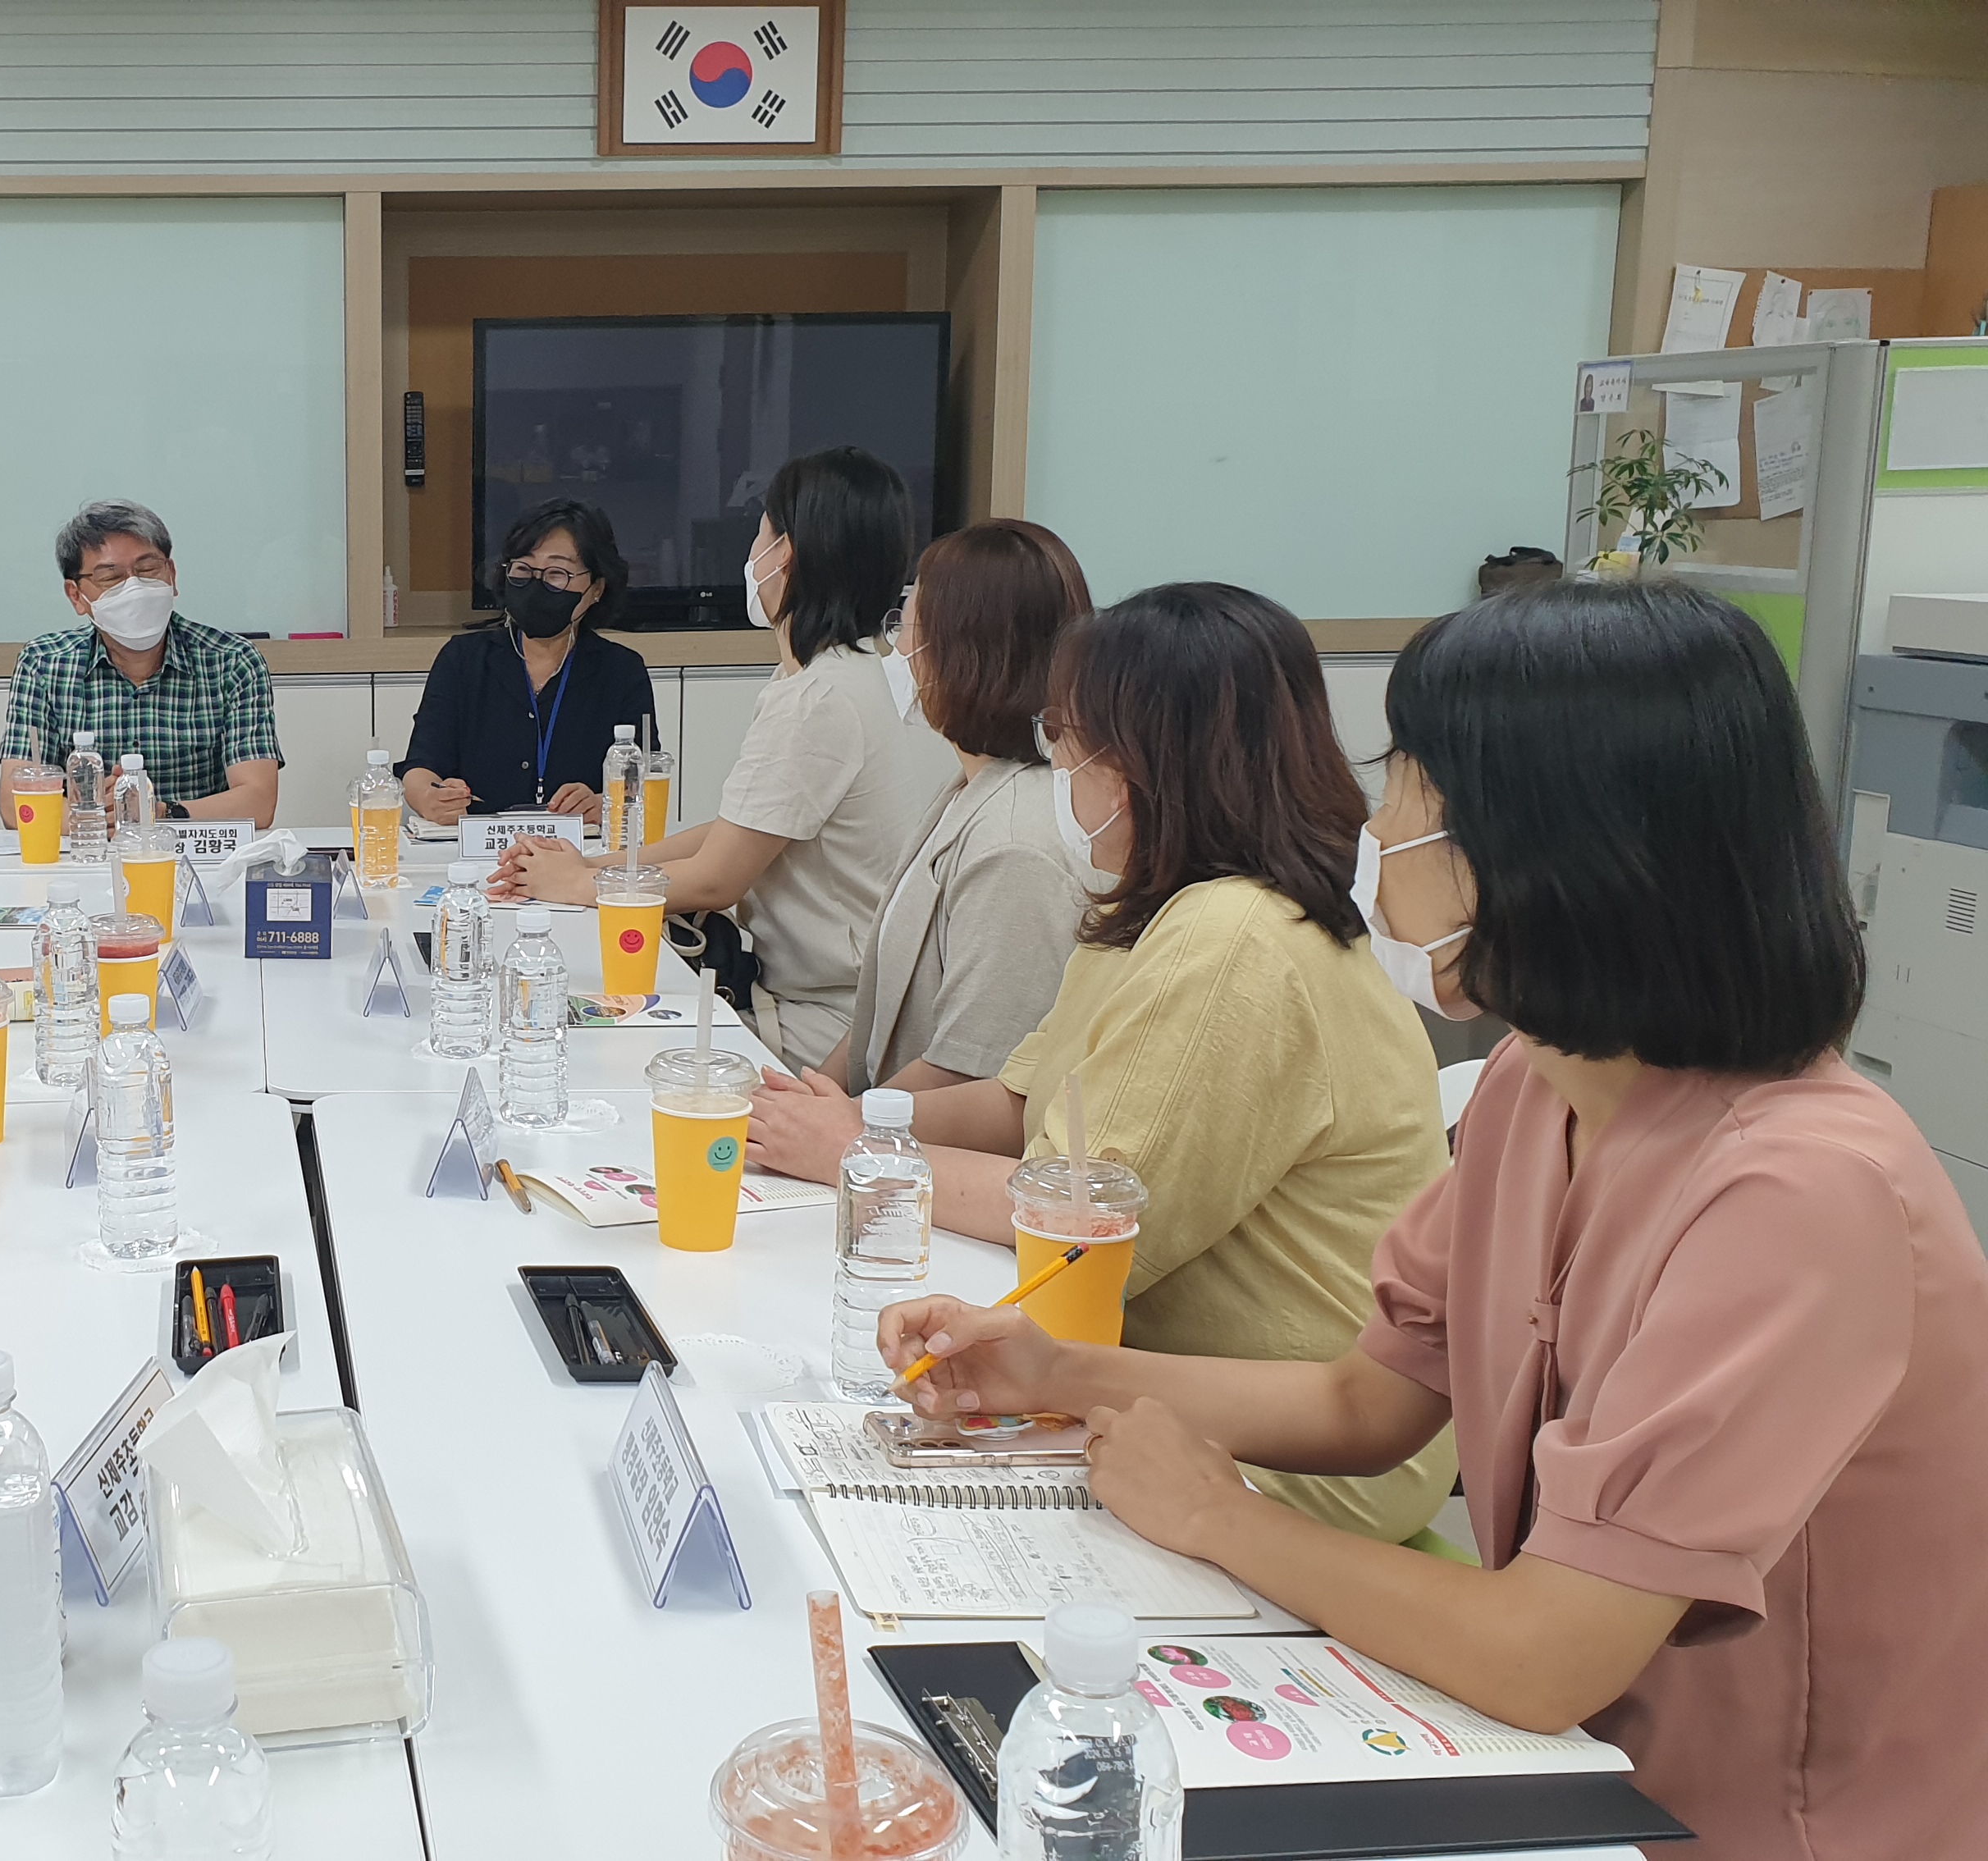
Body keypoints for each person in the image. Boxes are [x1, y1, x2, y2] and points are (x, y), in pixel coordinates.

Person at [883, 581, 1988, 1859]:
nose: (1380, 819)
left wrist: (1220, 1516)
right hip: (1565, 1765)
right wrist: (1055, 1371)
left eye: (1410, 780)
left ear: (1549, 841)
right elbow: (1369, 1406)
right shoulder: (1539, 1083)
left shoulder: (1802, 1192)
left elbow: (1546, 1653)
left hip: (1747, 1822)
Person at [866, 582, 1458, 1544]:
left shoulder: (1237, 943)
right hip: (1169, 1377)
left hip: (1281, 1449)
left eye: (1066, 736)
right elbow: (1032, 1113)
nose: (1054, 762)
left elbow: (1077, 1230)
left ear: (1137, 761)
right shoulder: (1163, 913)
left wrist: (860, 1157)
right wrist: (862, 1132)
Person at [491, 446, 957, 1063]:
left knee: (567, 1041)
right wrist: (598, 865)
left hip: (825, 1020)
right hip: (833, 998)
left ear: (783, 554)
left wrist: (578, 885)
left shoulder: (819, 697)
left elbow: (717, 878)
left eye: (760, 533)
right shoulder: (848, 674)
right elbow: (740, 831)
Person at [746, 519, 1095, 1180]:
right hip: (883, 1145)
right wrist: (799, 1108)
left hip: (925, 1179)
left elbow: (979, 1077)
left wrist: (838, 1130)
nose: (897, 644)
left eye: (908, 618)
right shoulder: (972, 789)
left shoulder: (1018, 842)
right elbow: (881, 1011)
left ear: (960, 648)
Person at [0, 498, 281, 827]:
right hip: (85, 859)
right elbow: (15, 805)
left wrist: (158, 814)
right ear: (76, 596)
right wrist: (99, 818)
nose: (134, 587)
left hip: (196, 862)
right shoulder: (44, 664)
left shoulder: (232, 661)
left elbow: (258, 802)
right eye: (110, 577)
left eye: (147, 570)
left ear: (171, 576)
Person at [398, 498, 660, 825]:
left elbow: (645, 778)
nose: (537, 584)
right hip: (476, 847)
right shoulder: (464, 659)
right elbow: (421, 766)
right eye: (523, 569)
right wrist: (429, 798)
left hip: (580, 852)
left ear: (597, 589)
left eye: (557, 574)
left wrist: (603, 803)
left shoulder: (621, 670)